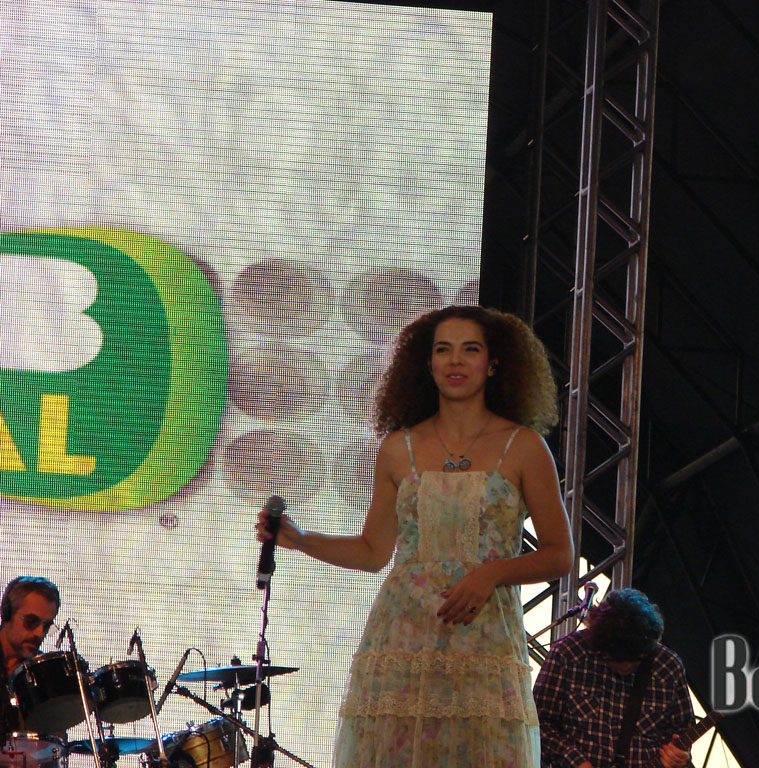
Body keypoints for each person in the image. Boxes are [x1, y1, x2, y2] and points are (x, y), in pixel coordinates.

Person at [257, 305, 574, 768]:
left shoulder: (523, 446)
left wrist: (491, 575)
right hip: (403, 636)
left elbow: (560, 554)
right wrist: (301, 539)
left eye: (471, 350)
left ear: (494, 363)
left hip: (482, 637)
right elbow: (372, 552)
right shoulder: (398, 448)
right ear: (427, 365)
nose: (456, 361)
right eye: (443, 350)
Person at [533, 589, 695, 768]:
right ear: (600, 647)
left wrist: (681, 756)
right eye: (617, 659)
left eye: (634, 660)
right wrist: (577, 761)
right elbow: (537, 724)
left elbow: (682, 733)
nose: (626, 666)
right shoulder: (568, 654)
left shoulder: (668, 666)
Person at [0, 576, 61, 741]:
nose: (39, 633)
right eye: (31, 622)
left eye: (46, 626)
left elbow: (54, 746)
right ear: (6, 613)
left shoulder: (42, 672)